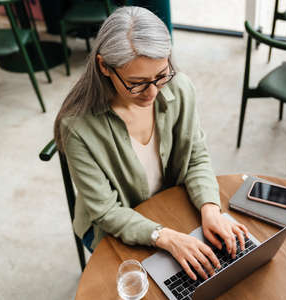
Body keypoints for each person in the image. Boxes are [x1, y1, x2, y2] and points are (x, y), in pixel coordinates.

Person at [53, 6, 248, 281]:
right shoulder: (77, 127)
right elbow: (106, 211)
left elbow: (196, 157)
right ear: (104, 67)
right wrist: (164, 237)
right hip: (109, 225)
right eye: (137, 83)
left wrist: (210, 209)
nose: (154, 92)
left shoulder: (180, 88)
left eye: (160, 75)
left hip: (169, 202)